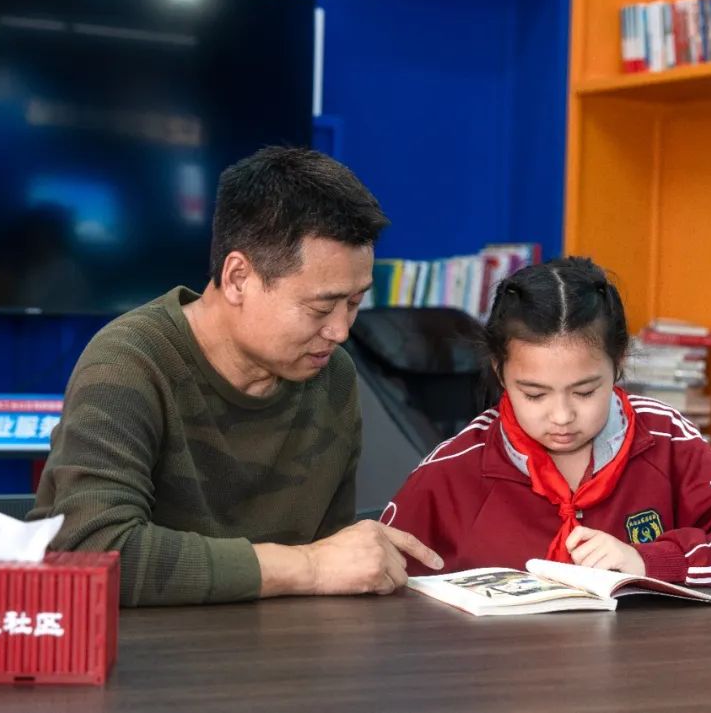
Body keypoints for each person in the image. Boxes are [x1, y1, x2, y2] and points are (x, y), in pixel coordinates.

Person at [29, 147, 442, 606]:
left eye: (355, 303)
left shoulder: (332, 376)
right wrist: (309, 566)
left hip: (277, 643)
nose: (340, 331)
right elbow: (94, 552)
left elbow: (334, 564)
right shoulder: (130, 362)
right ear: (239, 278)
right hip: (133, 646)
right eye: (321, 307)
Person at [382, 257, 711, 586]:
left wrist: (648, 562)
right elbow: (382, 572)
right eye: (534, 394)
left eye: (585, 392)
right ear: (499, 372)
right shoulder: (454, 468)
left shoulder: (664, 438)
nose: (562, 416)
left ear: (619, 364)